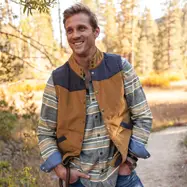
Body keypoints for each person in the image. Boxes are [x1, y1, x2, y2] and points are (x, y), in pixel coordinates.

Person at [37, 3, 152, 187]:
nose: (75, 35)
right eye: (69, 30)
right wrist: (61, 171)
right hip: (79, 181)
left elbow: (143, 116)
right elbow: (45, 132)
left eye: (81, 28)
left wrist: (129, 162)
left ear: (96, 31)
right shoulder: (57, 79)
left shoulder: (120, 67)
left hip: (121, 175)